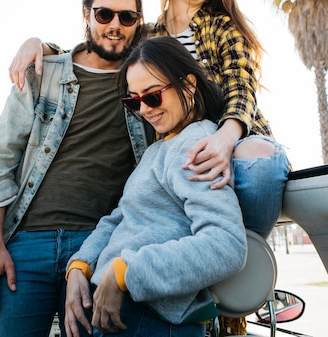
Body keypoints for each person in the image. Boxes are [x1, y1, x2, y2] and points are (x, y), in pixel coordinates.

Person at [8, 0, 290, 335]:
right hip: (168, 150)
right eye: (132, 100)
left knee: (262, 165)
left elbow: (242, 88)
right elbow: (105, 39)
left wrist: (225, 138)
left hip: (226, 131)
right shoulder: (148, 35)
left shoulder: (221, 30)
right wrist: (43, 47)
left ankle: (231, 290)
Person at [0, 0, 152, 337]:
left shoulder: (145, 85)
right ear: (86, 14)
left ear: (138, 24)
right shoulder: (45, 74)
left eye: (127, 17)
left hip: (100, 247)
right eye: (104, 14)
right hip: (26, 245)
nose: (115, 25)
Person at [64, 36, 247, 337]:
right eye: (133, 101)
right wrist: (80, 266)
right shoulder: (158, 149)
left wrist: (125, 272)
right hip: (126, 311)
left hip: (150, 318)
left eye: (152, 96)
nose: (145, 109)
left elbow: (226, 244)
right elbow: (121, 217)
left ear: (188, 85)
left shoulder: (194, 146)